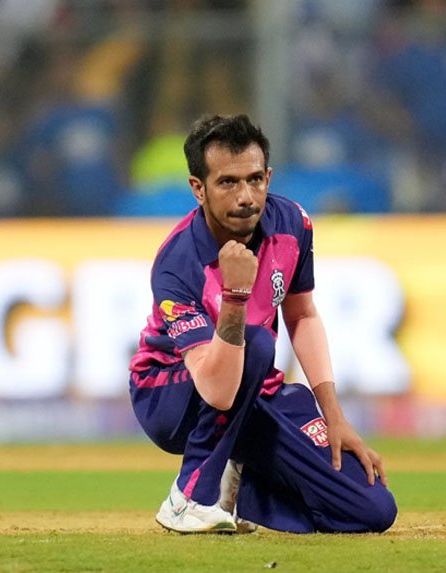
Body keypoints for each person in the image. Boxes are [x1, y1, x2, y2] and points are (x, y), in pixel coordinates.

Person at [127, 114, 397, 534]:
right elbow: (215, 389)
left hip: (254, 392)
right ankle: (189, 498)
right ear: (198, 188)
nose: (246, 197)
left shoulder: (293, 223)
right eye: (227, 183)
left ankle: (243, 487)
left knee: (372, 508)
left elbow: (302, 315)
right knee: (254, 344)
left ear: (268, 177)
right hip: (171, 393)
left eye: (255, 180)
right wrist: (235, 296)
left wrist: (334, 416)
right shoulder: (176, 263)